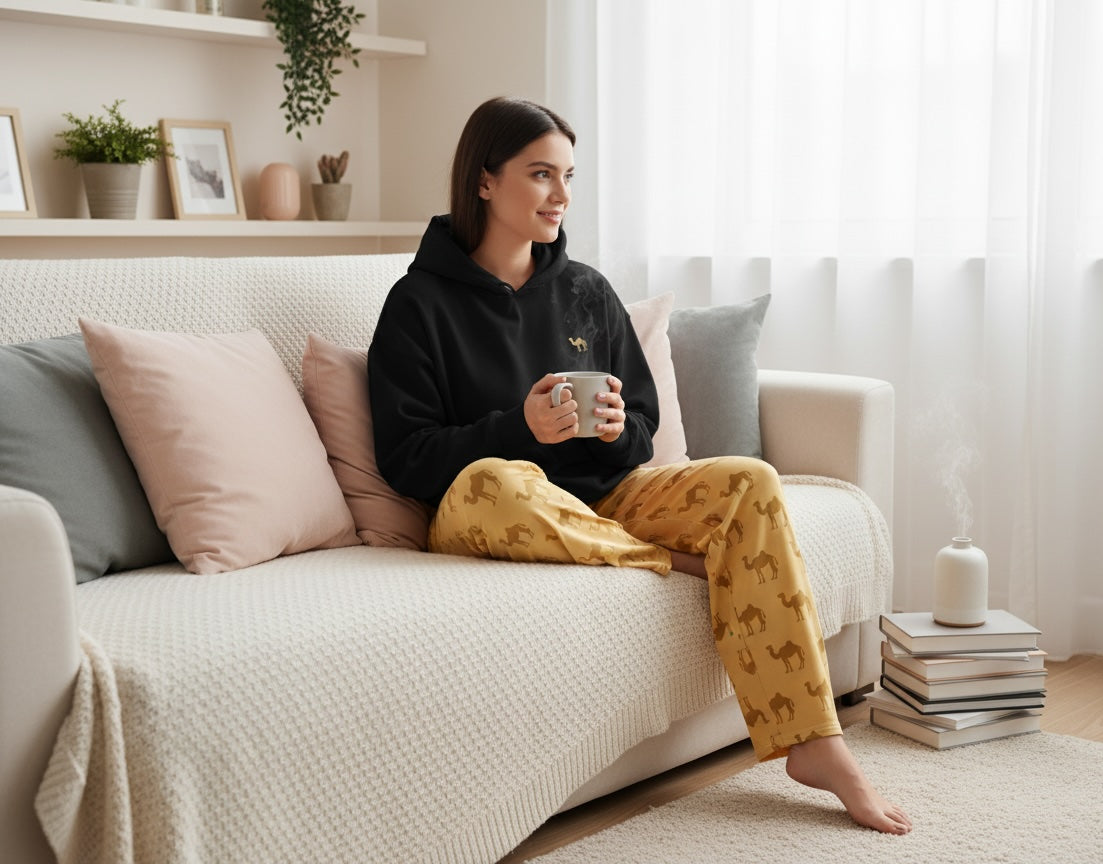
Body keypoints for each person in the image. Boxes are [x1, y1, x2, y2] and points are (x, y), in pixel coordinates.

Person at [367, 96, 912, 835]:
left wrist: (620, 431)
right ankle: (675, 561)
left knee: (748, 482)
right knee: (502, 478)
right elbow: (405, 457)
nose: (561, 194)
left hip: (605, 499)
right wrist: (518, 428)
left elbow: (644, 431)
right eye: (540, 174)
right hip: (490, 509)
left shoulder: (586, 292)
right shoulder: (417, 303)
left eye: (567, 176)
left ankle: (814, 742)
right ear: (485, 181)